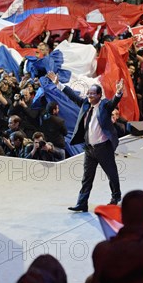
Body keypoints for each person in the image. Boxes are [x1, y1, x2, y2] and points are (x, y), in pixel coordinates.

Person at [47, 71, 123, 211]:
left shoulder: (105, 106)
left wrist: (118, 93)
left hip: (103, 148)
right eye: (88, 93)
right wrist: (58, 84)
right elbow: (72, 95)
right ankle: (82, 203)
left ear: (99, 95)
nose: (89, 95)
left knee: (111, 174)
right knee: (86, 178)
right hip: (89, 149)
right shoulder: (85, 105)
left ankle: (116, 196)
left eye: (92, 94)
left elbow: (114, 102)